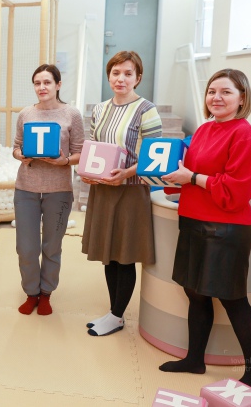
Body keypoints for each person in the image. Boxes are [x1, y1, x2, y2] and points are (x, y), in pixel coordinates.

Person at [158, 69, 251, 390]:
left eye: (226, 92)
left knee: (233, 299)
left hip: (226, 229)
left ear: (242, 98)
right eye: (211, 92)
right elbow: (191, 173)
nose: (216, 98)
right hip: (193, 220)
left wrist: (192, 178)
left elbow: (238, 190)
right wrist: (175, 176)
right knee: (195, 292)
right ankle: (195, 359)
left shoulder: (245, 135)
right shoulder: (205, 130)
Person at [80, 51, 162, 336]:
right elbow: (93, 145)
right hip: (103, 190)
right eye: (116, 73)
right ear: (109, 76)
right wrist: (88, 172)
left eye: (128, 74)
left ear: (138, 78)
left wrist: (126, 174)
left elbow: (154, 156)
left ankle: (116, 316)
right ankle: (113, 312)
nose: (121, 79)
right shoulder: (100, 109)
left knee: (124, 255)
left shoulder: (146, 109)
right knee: (108, 253)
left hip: (131, 191)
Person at [12, 64, 84, 315]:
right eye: (37, 83)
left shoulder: (72, 114)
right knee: (26, 247)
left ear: (58, 85)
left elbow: (80, 152)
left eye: (47, 82)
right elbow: (16, 147)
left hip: (59, 190)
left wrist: (64, 161)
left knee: (52, 246)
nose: (42, 87)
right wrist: (20, 155)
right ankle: (31, 292)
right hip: (26, 189)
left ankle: (46, 293)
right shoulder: (25, 114)